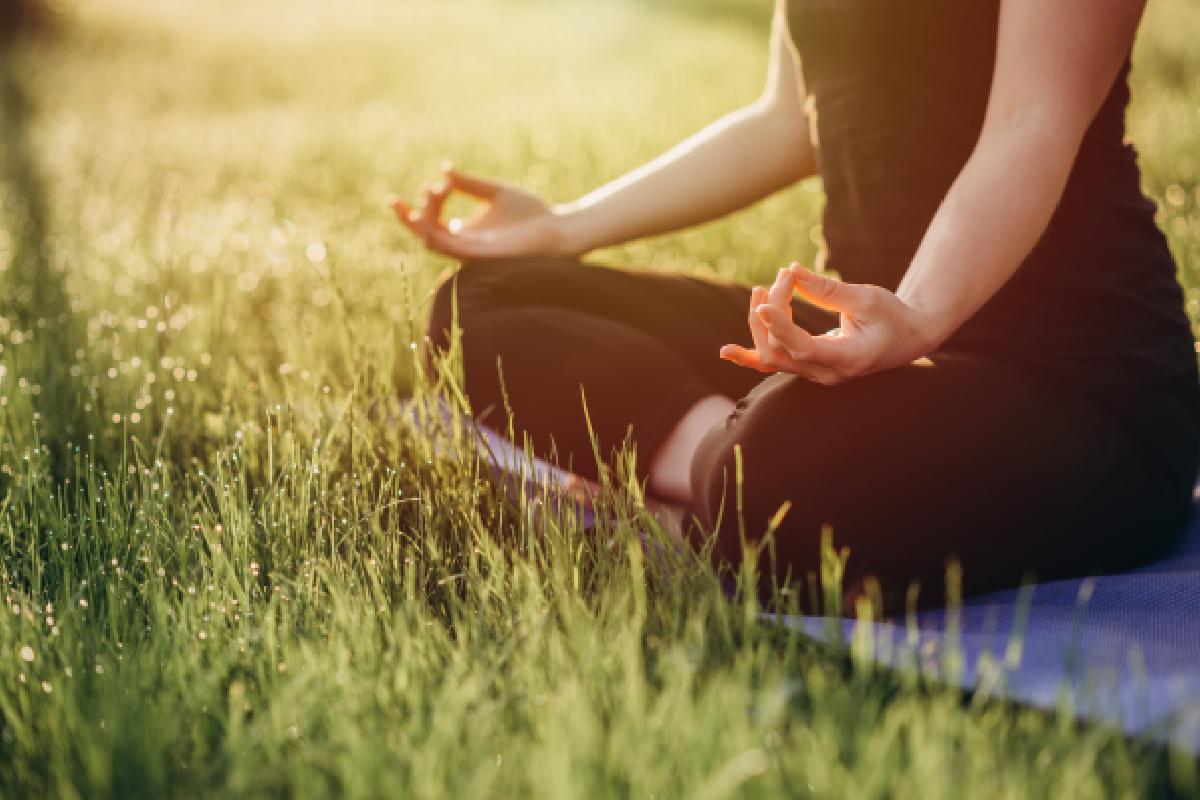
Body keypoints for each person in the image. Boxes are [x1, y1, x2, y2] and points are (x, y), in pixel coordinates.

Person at [392, 0, 1200, 610]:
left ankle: (710, 487)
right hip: (860, 345)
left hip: (1081, 387)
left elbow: (1035, 120)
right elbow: (788, 121)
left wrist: (917, 311)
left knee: (783, 460)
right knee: (480, 306)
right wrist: (566, 225)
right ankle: (719, 478)